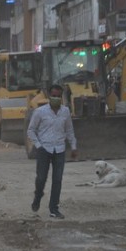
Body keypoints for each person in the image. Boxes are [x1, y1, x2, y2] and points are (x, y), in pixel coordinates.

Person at [27, 84, 78, 219]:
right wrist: (38, 145)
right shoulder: (40, 112)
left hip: (59, 149)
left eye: (58, 96)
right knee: (41, 178)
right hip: (44, 149)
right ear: (49, 96)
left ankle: (54, 209)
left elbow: (69, 130)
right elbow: (31, 130)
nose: (56, 98)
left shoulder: (65, 111)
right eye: (53, 96)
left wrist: (73, 146)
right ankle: (38, 195)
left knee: (57, 180)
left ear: (61, 97)